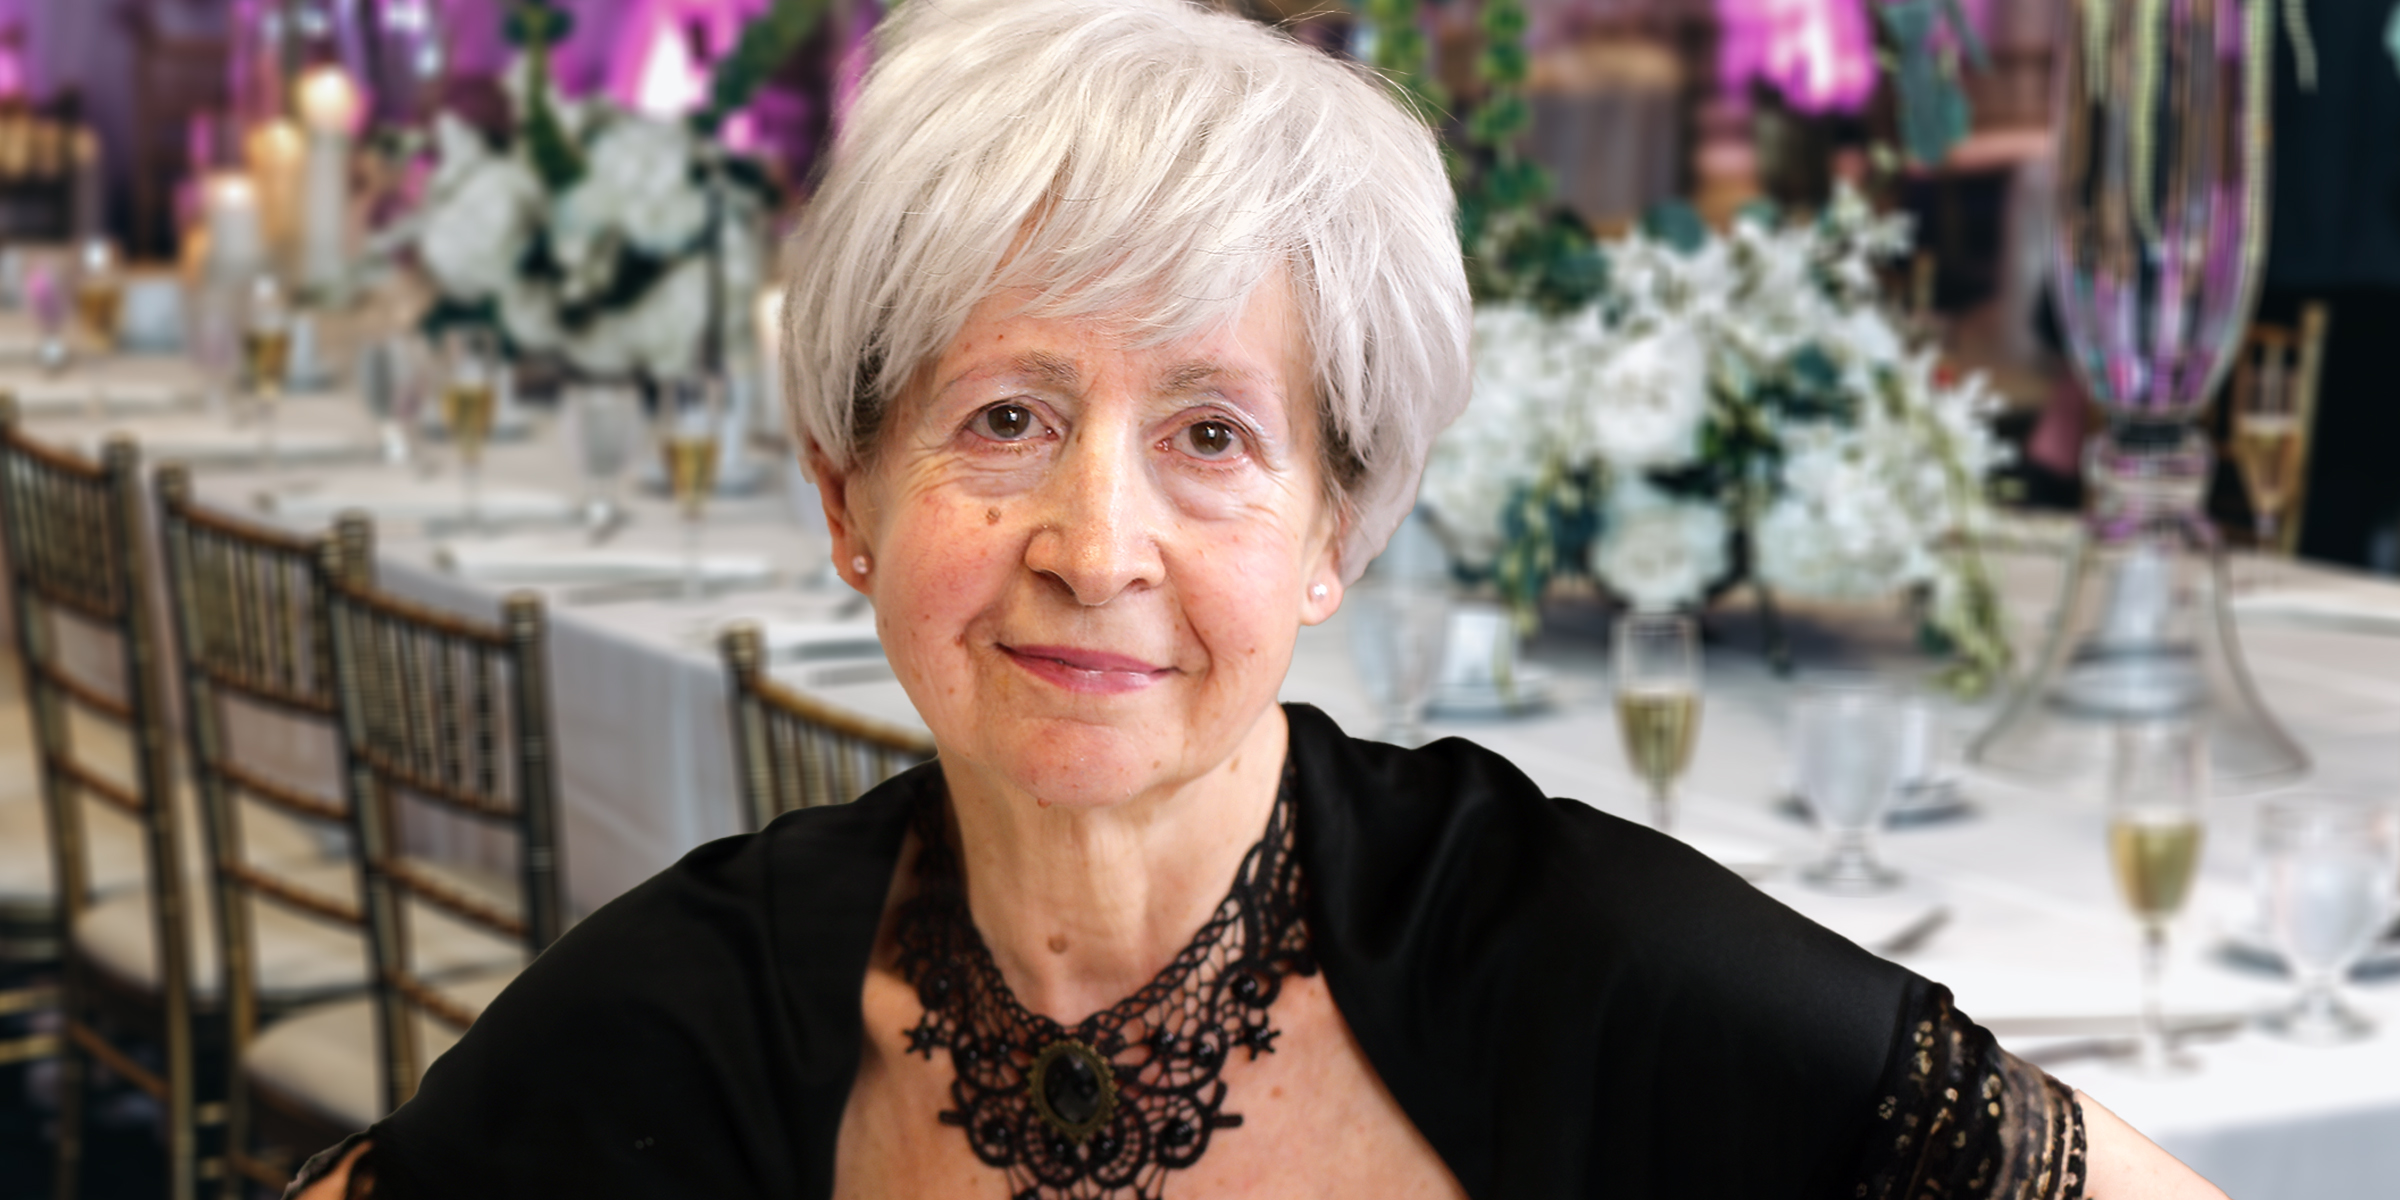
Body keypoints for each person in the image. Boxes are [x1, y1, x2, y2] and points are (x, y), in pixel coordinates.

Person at [293, 1, 2227, 1196]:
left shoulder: (1585, 965)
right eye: (1005, 417)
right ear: (846, 500)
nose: (1094, 542)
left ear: (1337, 525)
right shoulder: (683, 1016)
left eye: (1212, 434)